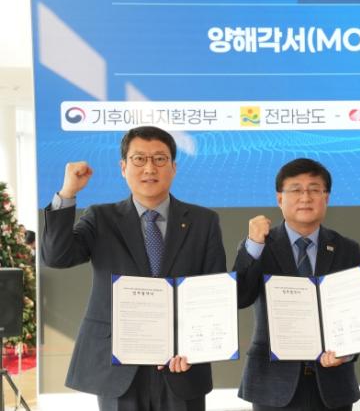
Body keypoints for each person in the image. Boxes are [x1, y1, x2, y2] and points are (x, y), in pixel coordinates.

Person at [41, 126, 227, 411]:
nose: (149, 168)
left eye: (160, 159)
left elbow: (214, 291)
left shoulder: (204, 221)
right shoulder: (101, 218)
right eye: (139, 159)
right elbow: (57, 256)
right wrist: (68, 193)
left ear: (174, 167)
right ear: (123, 167)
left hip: (181, 364)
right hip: (118, 364)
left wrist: (196, 347)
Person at [234, 158, 360, 411]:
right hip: (272, 385)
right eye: (296, 189)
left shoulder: (347, 249)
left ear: (326, 198)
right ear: (280, 198)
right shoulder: (259, 245)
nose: (305, 197)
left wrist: (347, 351)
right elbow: (240, 297)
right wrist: (253, 246)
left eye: (314, 189)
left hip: (333, 384)